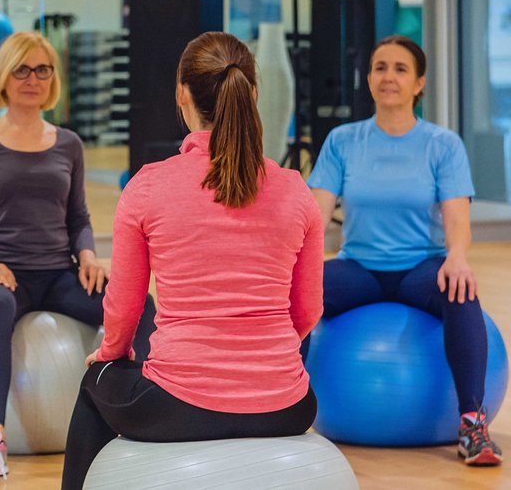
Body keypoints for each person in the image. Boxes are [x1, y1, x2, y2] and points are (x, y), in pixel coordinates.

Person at [60, 32, 324, 489]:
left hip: (179, 405)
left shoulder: (147, 186)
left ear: (182, 94)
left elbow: (123, 311)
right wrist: (260, 364)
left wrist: (110, 357)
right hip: (287, 406)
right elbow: (307, 313)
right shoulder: (295, 189)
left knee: (94, 382)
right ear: (253, 94)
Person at [0, 31, 155, 484]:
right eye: (22, 69)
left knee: (138, 302)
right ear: (3, 75)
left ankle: (145, 412)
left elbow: (78, 216)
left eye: (43, 69)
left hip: (59, 274)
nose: (33, 79)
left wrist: (87, 256)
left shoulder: (68, 144)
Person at [307, 35, 502, 466]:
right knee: (294, 293)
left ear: (419, 84)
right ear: (369, 78)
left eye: (399, 69)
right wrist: (297, 263)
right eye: (379, 67)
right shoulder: (343, 141)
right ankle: (275, 410)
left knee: (462, 290)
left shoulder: (442, 144)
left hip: (421, 267)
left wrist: (456, 256)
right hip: (359, 267)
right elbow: (316, 216)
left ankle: (472, 425)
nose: (388, 77)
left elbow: (456, 217)